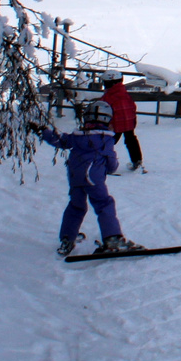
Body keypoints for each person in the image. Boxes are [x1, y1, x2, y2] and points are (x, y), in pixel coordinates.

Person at [39, 99, 139, 256]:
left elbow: (60, 140)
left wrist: (44, 131)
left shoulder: (76, 137)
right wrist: (109, 168)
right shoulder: (105, 139)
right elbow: (112, 164)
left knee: (76, 206)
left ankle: (67, 239)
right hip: (93, 179)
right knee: (104, 203)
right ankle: (112, 238)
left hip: (75, 178)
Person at [101, 77, 143, 172]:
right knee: (130, 139)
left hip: (115, 123)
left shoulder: (109, 95)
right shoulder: (124, 93)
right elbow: (132, 106)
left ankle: (103, 162)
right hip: (128, 121)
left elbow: (103, 107)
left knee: (108, 142)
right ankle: (137, 160)